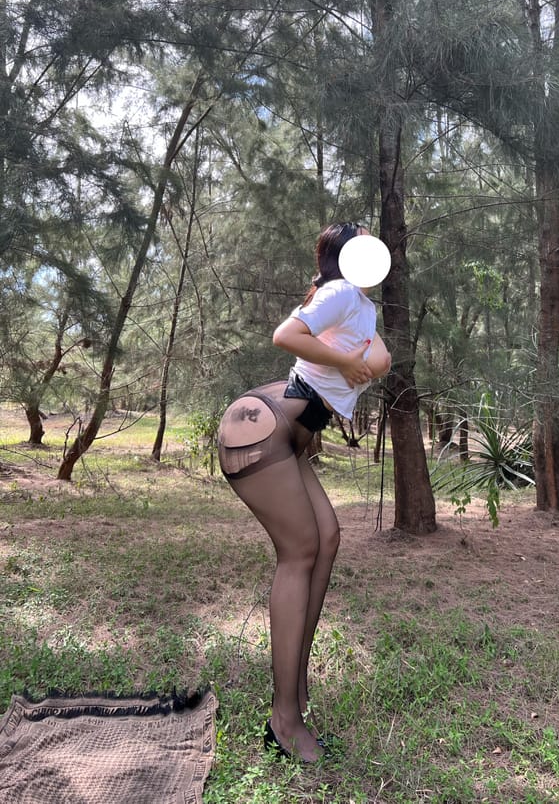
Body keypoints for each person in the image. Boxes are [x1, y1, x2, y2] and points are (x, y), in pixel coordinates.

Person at [217, 222, 391, 763]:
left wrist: (358, 360)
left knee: (327, 538)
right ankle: (283, 719)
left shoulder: (360, 306)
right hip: (261, 428)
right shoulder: (338, 293)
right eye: (362, 243)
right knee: (299, 552)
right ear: (347, 255)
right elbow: (286, 336)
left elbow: (380, 359)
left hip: (288, 433)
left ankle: (294, 690)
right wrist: (346, 361)